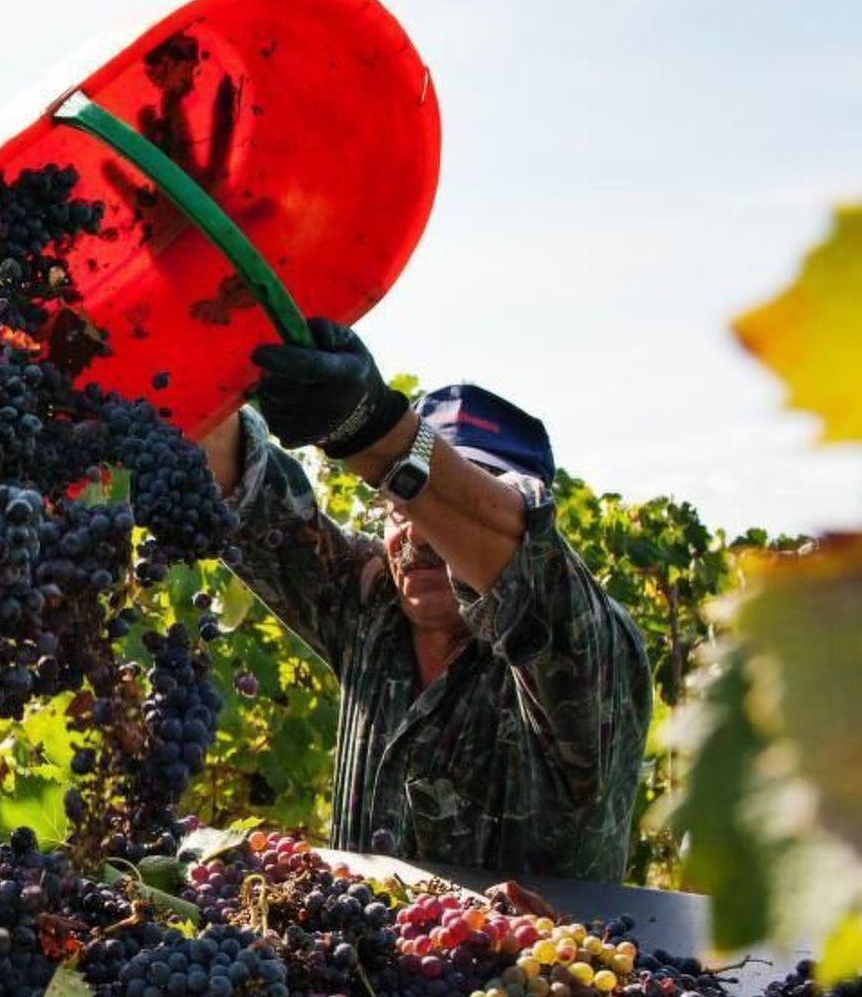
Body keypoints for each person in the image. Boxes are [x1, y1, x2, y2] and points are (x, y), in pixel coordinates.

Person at [195, 318, 650, 882]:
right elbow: (238, 477)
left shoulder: (591, 653)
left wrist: (370, 429)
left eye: (437, 508)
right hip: (357, 967)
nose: (419, 533)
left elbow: (522, 556)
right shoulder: (368, 604)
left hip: (537, 970)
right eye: (398, 507)